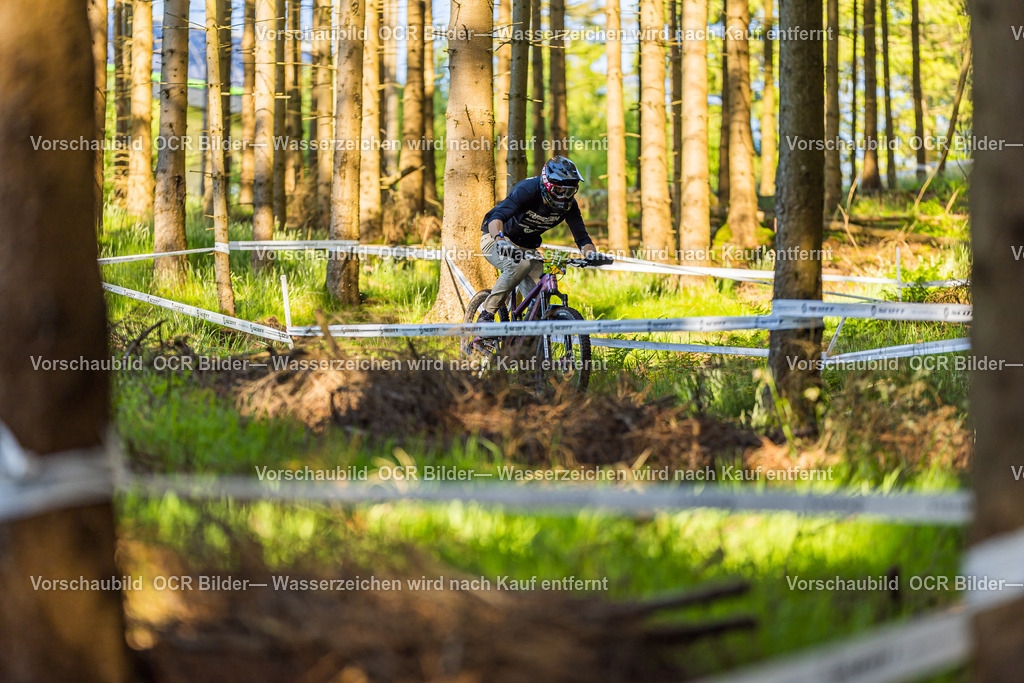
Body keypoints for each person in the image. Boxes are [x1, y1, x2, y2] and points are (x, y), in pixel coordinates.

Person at [477, 156, 599, 321]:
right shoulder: (527, 190)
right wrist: (500, 241)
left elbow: (582, 238)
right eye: (559, 190)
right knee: (520, 264)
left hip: (527, 248)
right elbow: (496, 217)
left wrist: (592, 255)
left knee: (541, 297)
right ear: (547, 186)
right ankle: (486, 314)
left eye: (569, 191)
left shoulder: (570, 206)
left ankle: (526, 341)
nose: (564, 196)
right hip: (496, 239)